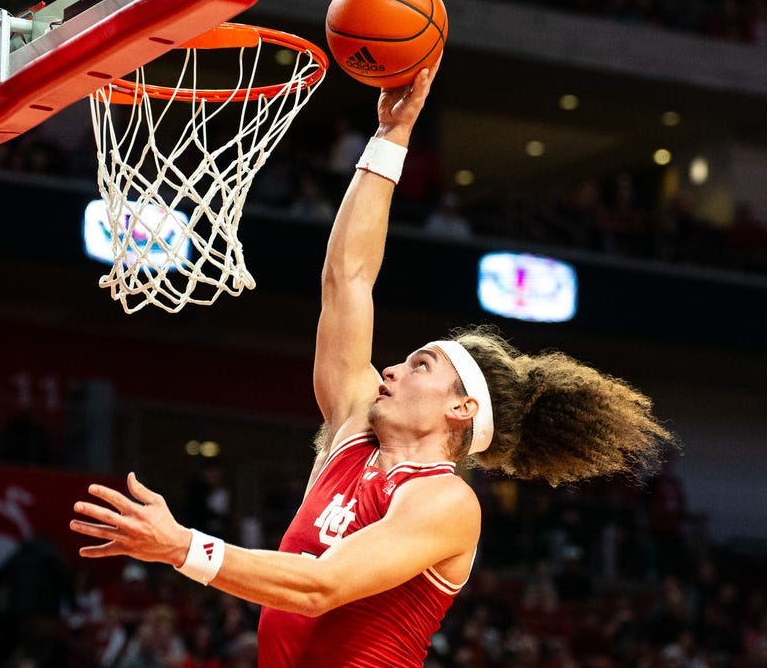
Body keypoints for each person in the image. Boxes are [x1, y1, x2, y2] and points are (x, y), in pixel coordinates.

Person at [69, 63, 675, 667]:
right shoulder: (351, 430)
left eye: (420, 365)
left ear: (461, 407)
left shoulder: (446, 503)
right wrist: (391, 137)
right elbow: (347, 279)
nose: (391, 370)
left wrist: (182, 547)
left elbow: (320, 586)